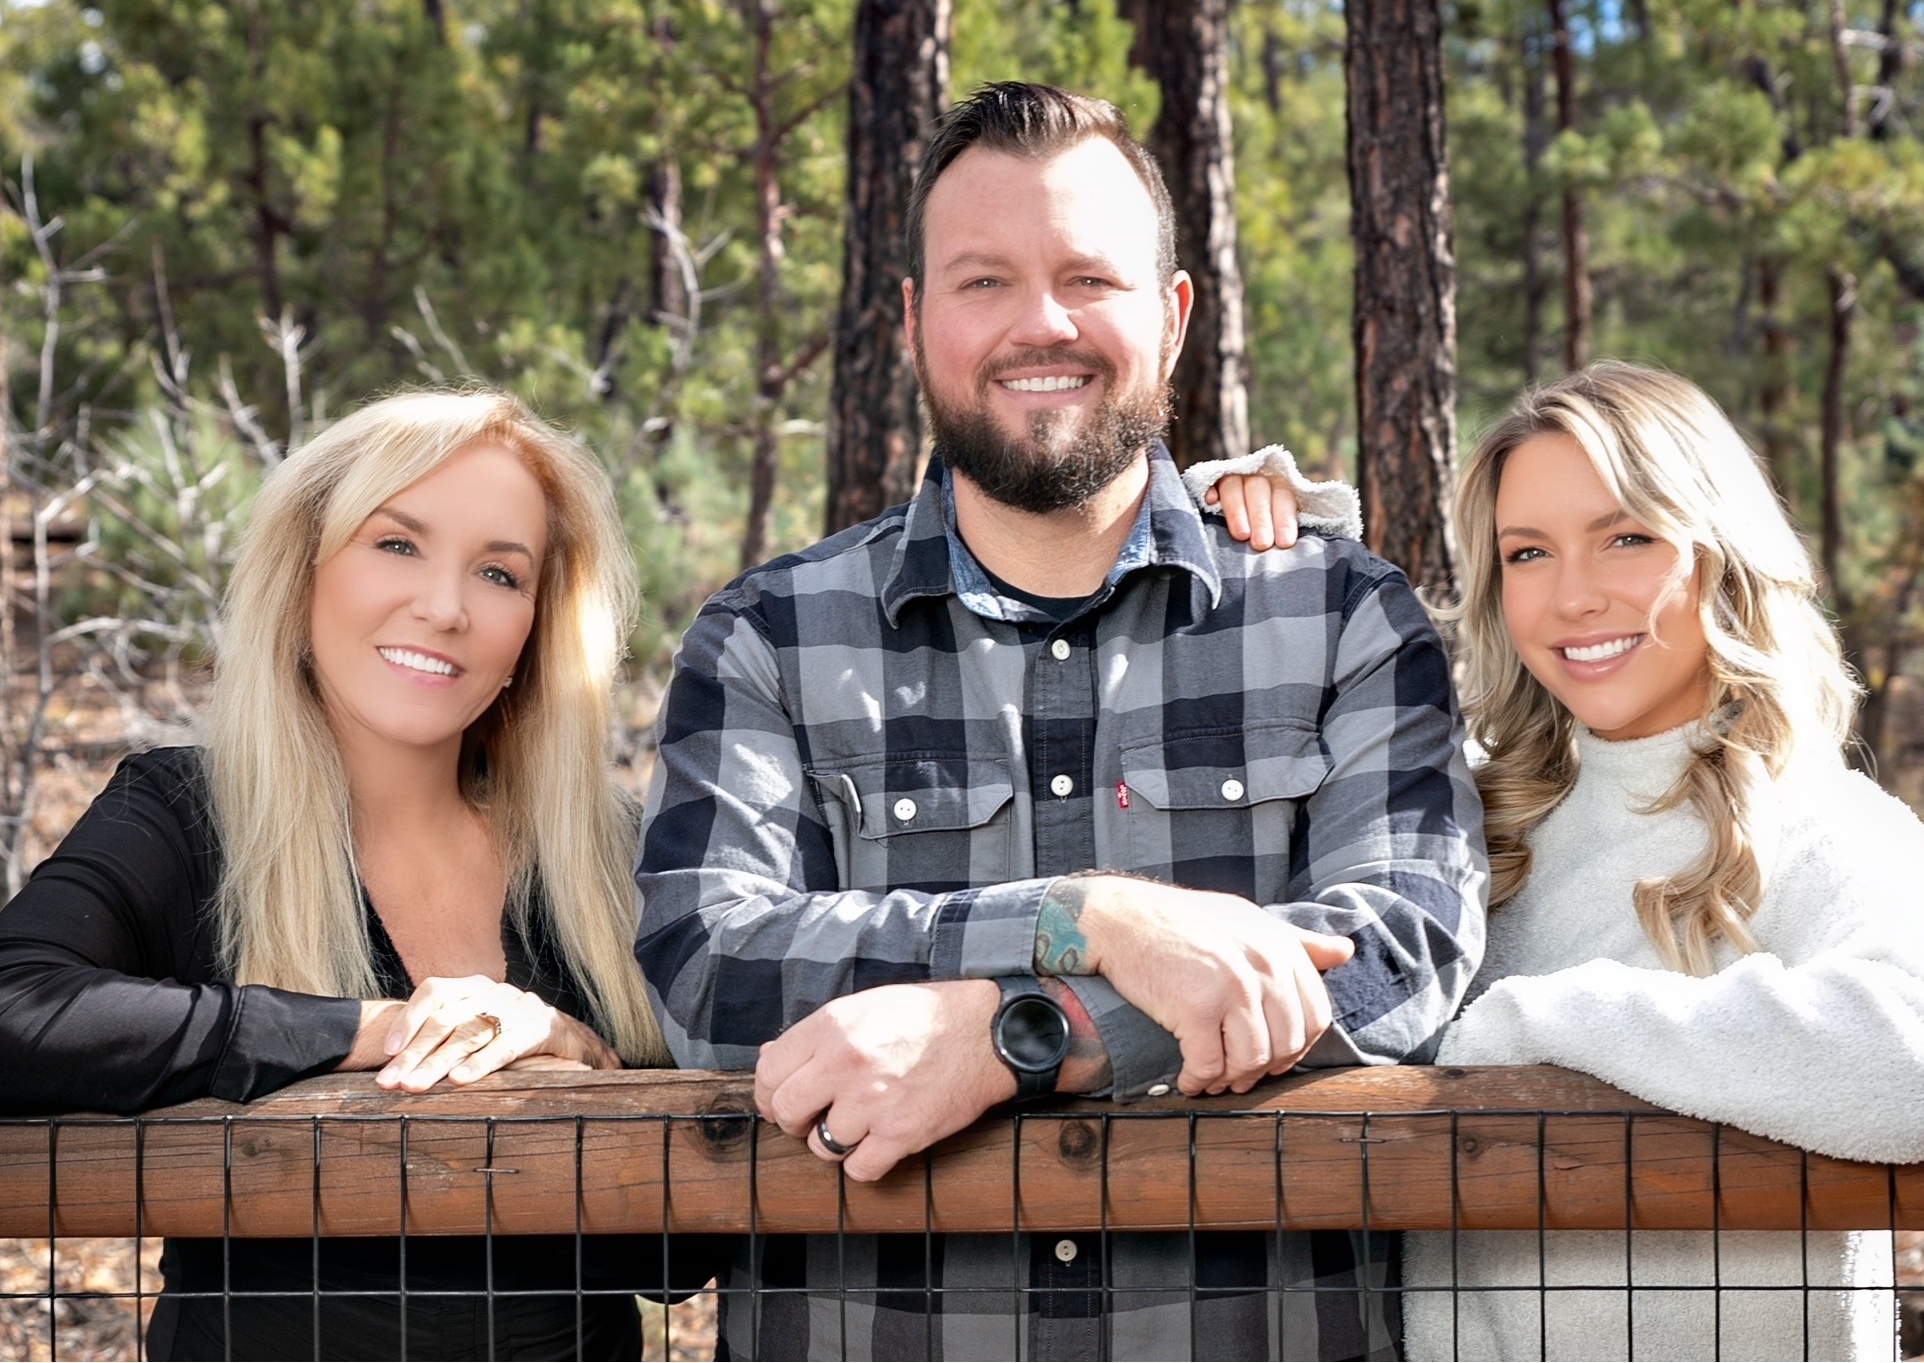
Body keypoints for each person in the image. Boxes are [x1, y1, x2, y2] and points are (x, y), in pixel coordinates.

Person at [635, 81, 1488, 1360]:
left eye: (1089, 276)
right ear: (916, 322)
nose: (1042, 324)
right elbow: (708, 963)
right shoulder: (769, 637)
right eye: (983, 281)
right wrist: (1086, 920)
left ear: (1173, 315)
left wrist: (1021, 1035)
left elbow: (1401, 948)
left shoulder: (1340, 617)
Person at [1207, 362, 1924, 1360]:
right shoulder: (1465, 813)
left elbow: (1910, 1060)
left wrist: (1531, 1029)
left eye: (1625, 536)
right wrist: (1219, 537)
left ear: (1718, 552)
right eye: (1527, 552)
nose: (1573, 596)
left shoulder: (1827, 823)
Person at [0, 389, 720, 1360]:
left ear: (537, 629)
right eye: (396, 543)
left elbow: (684, 1254)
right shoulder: (181, 814)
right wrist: (365, 1028)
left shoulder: (609, 861)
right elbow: (15, 1006)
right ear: (303, 574)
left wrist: (580, 1054)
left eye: (500, 571)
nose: (445, 605)